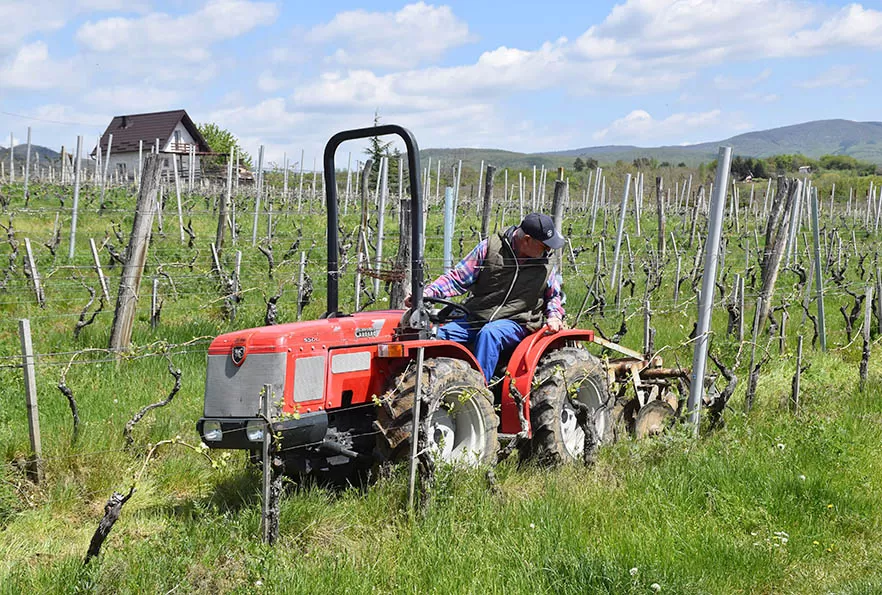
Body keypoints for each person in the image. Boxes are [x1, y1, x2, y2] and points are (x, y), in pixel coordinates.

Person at [407, 213, 566, 383]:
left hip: (518, 321)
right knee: (437, 335)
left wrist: (554, 316)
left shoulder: (546, 264)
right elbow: (458, 278)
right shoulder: (490, 248)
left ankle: (477, 391)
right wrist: (426, 294)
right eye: (544, 246)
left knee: (490, 334)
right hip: (478, 316)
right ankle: (425, 384)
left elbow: (553, 296)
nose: (548, 251)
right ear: (526, 240)